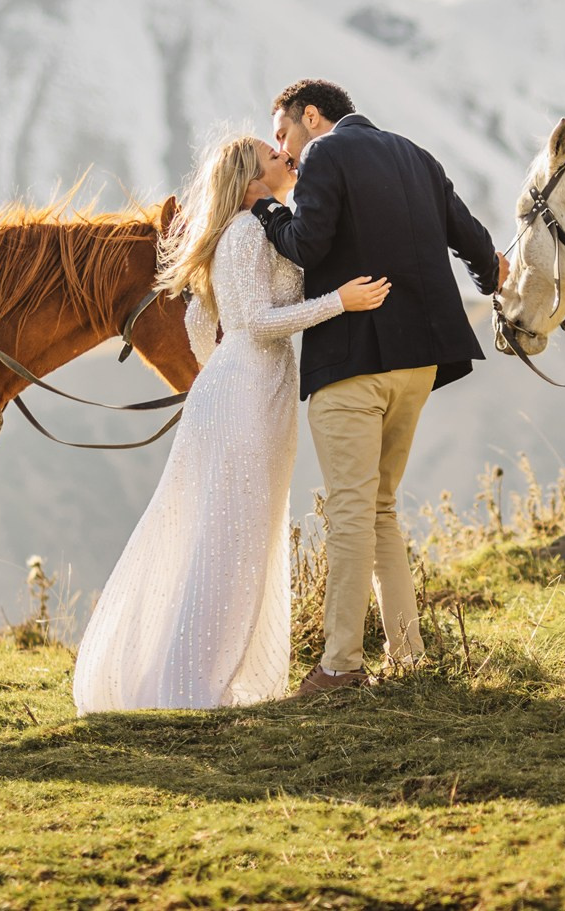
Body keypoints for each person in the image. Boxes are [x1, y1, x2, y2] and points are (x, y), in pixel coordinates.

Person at [72, 133, 390, 712]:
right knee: (229, 537)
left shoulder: (248, 230)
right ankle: (192, 684)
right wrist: (339, 302)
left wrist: (212, 375)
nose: (286, 159)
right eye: (274, 158)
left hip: (245, 389)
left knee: (237, 534)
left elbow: (200, 318)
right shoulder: (245, 231)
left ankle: (204, 672)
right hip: (247, 391)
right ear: (250, 180)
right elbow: (254, 322)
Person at [250, 79, 506, 695]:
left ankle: (340, 665)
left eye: (283, 133)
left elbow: (306, 244)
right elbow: (477, 246)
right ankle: (407, 654)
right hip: (420, 363)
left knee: (348, 513)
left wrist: (263, 207)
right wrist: (488, 277)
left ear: (312, 117)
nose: (283, 148)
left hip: (353, 361)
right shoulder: (416, 154)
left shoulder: (325, 155)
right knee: (381, 507)